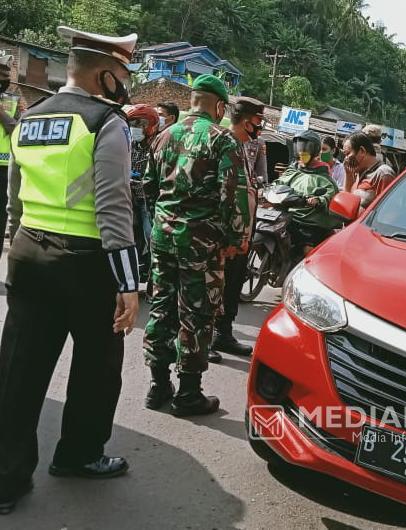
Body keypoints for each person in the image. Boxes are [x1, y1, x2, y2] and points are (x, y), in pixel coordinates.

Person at [0, 26, 140, 515]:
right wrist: (128, 284)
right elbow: (113, 209)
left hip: (28, 253)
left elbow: (15, 196)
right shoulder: (108, 122)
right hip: (87, 264)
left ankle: (5, 480)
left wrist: (15, 246)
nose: (125, 82)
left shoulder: (30, 118)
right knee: (98, 366)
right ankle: (79, 455)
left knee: (18, 369)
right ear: (104, 73)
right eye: (122, 73)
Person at [142, 74, 251, 416]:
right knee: (198, 314)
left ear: (192, 100)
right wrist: (233, 240)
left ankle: (158, 386)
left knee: (162, 306)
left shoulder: (163, 135)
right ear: (219, 105)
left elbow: (148, 187)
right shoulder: (223, 140)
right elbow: (230, 198)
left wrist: (165, 219)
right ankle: (188, 394)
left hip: (162, 236)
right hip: (201, 244)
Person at [211, 96, 266, 360]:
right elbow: (224, 194)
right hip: (226, 237)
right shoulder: (225, 143)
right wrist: (229, 236)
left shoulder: (245, 147)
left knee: (232, 288)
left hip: (241, 236)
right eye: (258, 121)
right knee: (216, 289)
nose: (260, 127)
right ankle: (207, 339)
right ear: (246, 121)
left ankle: (223, 334)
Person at [274, 130, 339, 250]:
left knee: (307, 251)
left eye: (305, 147)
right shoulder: (293, 170)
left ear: (314, 150)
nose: (301, 151)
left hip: (308, 224)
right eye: (298, 146)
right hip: (287, 217)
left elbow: (329, 195)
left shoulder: (324, 178)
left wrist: (318, 200)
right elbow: (279, 183)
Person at [126, 104, 160, 283]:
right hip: (128, 199)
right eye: (133, 124)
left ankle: (155, 279)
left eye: (139, 124)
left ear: (151, 126)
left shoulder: (158, 145)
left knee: (150, 237)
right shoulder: (129, 144)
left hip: (147, 202)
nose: (135, 128)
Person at [343, 132, 396, 210]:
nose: (346, 159)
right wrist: (348, 174)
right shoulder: (357, 172)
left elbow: (387, 211)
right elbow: (346, 200)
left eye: (348, 154)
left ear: (362, 151)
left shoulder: (383, 174)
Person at [0, 54, 19, 258]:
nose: (3, 79)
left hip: (5, 170)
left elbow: (18, 131)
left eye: (5, 75)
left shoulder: (10, 103)